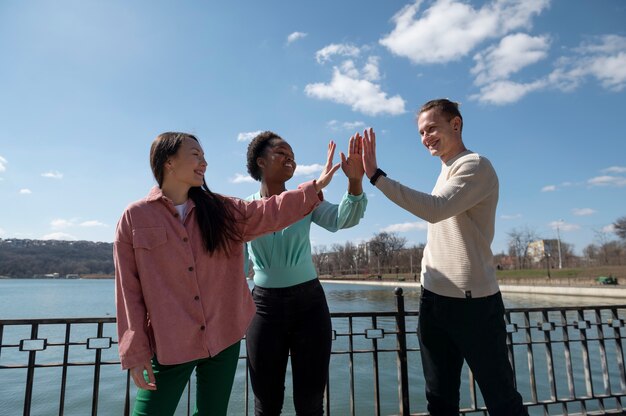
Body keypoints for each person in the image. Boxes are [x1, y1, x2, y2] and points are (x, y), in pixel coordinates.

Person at [114, 132, 341, 416]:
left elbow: (270, 211)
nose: (204, 162)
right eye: (195, 155)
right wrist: (135, 353)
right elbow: (128, 291)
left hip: (223, 338)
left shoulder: (223, 210)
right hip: (171, 342)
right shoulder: (136, 217)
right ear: (168, 161)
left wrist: (315, 186)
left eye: (204, 156)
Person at [361, 99, 527, 416]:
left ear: (456, 124)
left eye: (432, 128)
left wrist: (376, 177)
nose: (426, 138)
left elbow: (436, 209)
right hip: (434, 301)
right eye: (422, 133)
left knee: (502, 399)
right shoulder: (445, 172)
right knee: (439, 401)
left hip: (474, 303)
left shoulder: (475, 165)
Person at [244, 131, 367, 415]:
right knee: (266, 403)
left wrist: (354, 181)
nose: (290, 160)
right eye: (281, 153)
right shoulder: (245, 208)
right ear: (260, 161)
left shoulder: (305, 199)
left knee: (311, 404)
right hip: (262, 308)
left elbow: (342, 219)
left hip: (309, 304)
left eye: (293, 156)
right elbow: (236, 268)